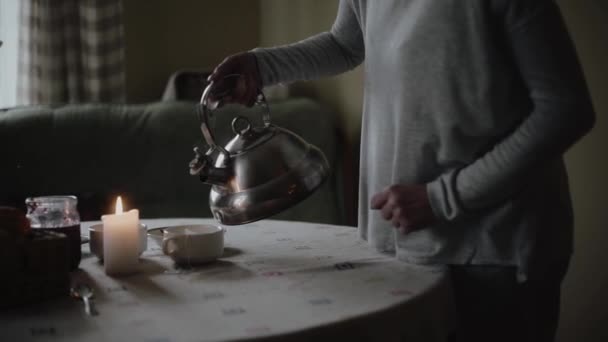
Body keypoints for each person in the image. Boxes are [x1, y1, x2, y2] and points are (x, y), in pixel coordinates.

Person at [206, 1, 595, 341]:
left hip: (496, 247)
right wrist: (262, 66)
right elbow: (347, 43)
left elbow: (565, 110)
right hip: (404, 236)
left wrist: (444, 198)